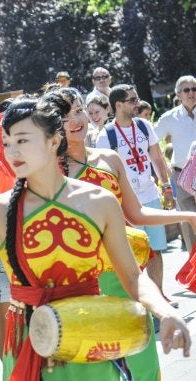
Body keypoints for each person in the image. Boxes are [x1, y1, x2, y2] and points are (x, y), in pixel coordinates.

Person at [0, 94, 191, 381]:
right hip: (29, 337)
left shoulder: (99, 201)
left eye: (23, 140)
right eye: (7, 142)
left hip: (89, 334)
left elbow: (133, 277)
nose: (12, 151)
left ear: (53, 142)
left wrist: (165, 312)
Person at [58, 86, 196, 380]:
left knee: (143, 362)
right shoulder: (52, 171)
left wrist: (188, 215)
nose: (76, 119)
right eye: (65, 115)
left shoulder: (109, 159)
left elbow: (136, 213)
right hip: (83, 282)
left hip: (126, 272)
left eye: (79, 110)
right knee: (99, 368)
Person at [96, 84, 173, 299]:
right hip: (126, 203)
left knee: (156, 250)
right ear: (118, 105)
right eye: (132, 100)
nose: (136, 104)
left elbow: (157, 158)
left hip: (149, 195)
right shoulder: (106, 135)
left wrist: (166, 187)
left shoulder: (144, 126)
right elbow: (106, 174)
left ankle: (159, 294)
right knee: (134, 252)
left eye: (136, 99)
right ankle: (140, 297)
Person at [156, 75, 196, 251]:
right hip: (182, 176)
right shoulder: (168, 118)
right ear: (178, 94)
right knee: (188, 221)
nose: (192, 93)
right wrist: (163, 164)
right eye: (187, 90)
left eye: (194, 89)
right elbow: (151, 142)